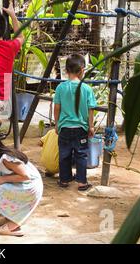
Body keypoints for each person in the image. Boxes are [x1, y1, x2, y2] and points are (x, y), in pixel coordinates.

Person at [53, 54, 96, 191]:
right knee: (81, 154)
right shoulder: (87, 89)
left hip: (64, 128)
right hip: (81, 129)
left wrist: (57, 124)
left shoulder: (60, 88)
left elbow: (57, 107)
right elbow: (90, 110)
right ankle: (82, 183)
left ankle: (64, 180)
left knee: (64, 154)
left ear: (66, 70)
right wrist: (91, 126)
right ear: (82, 70)